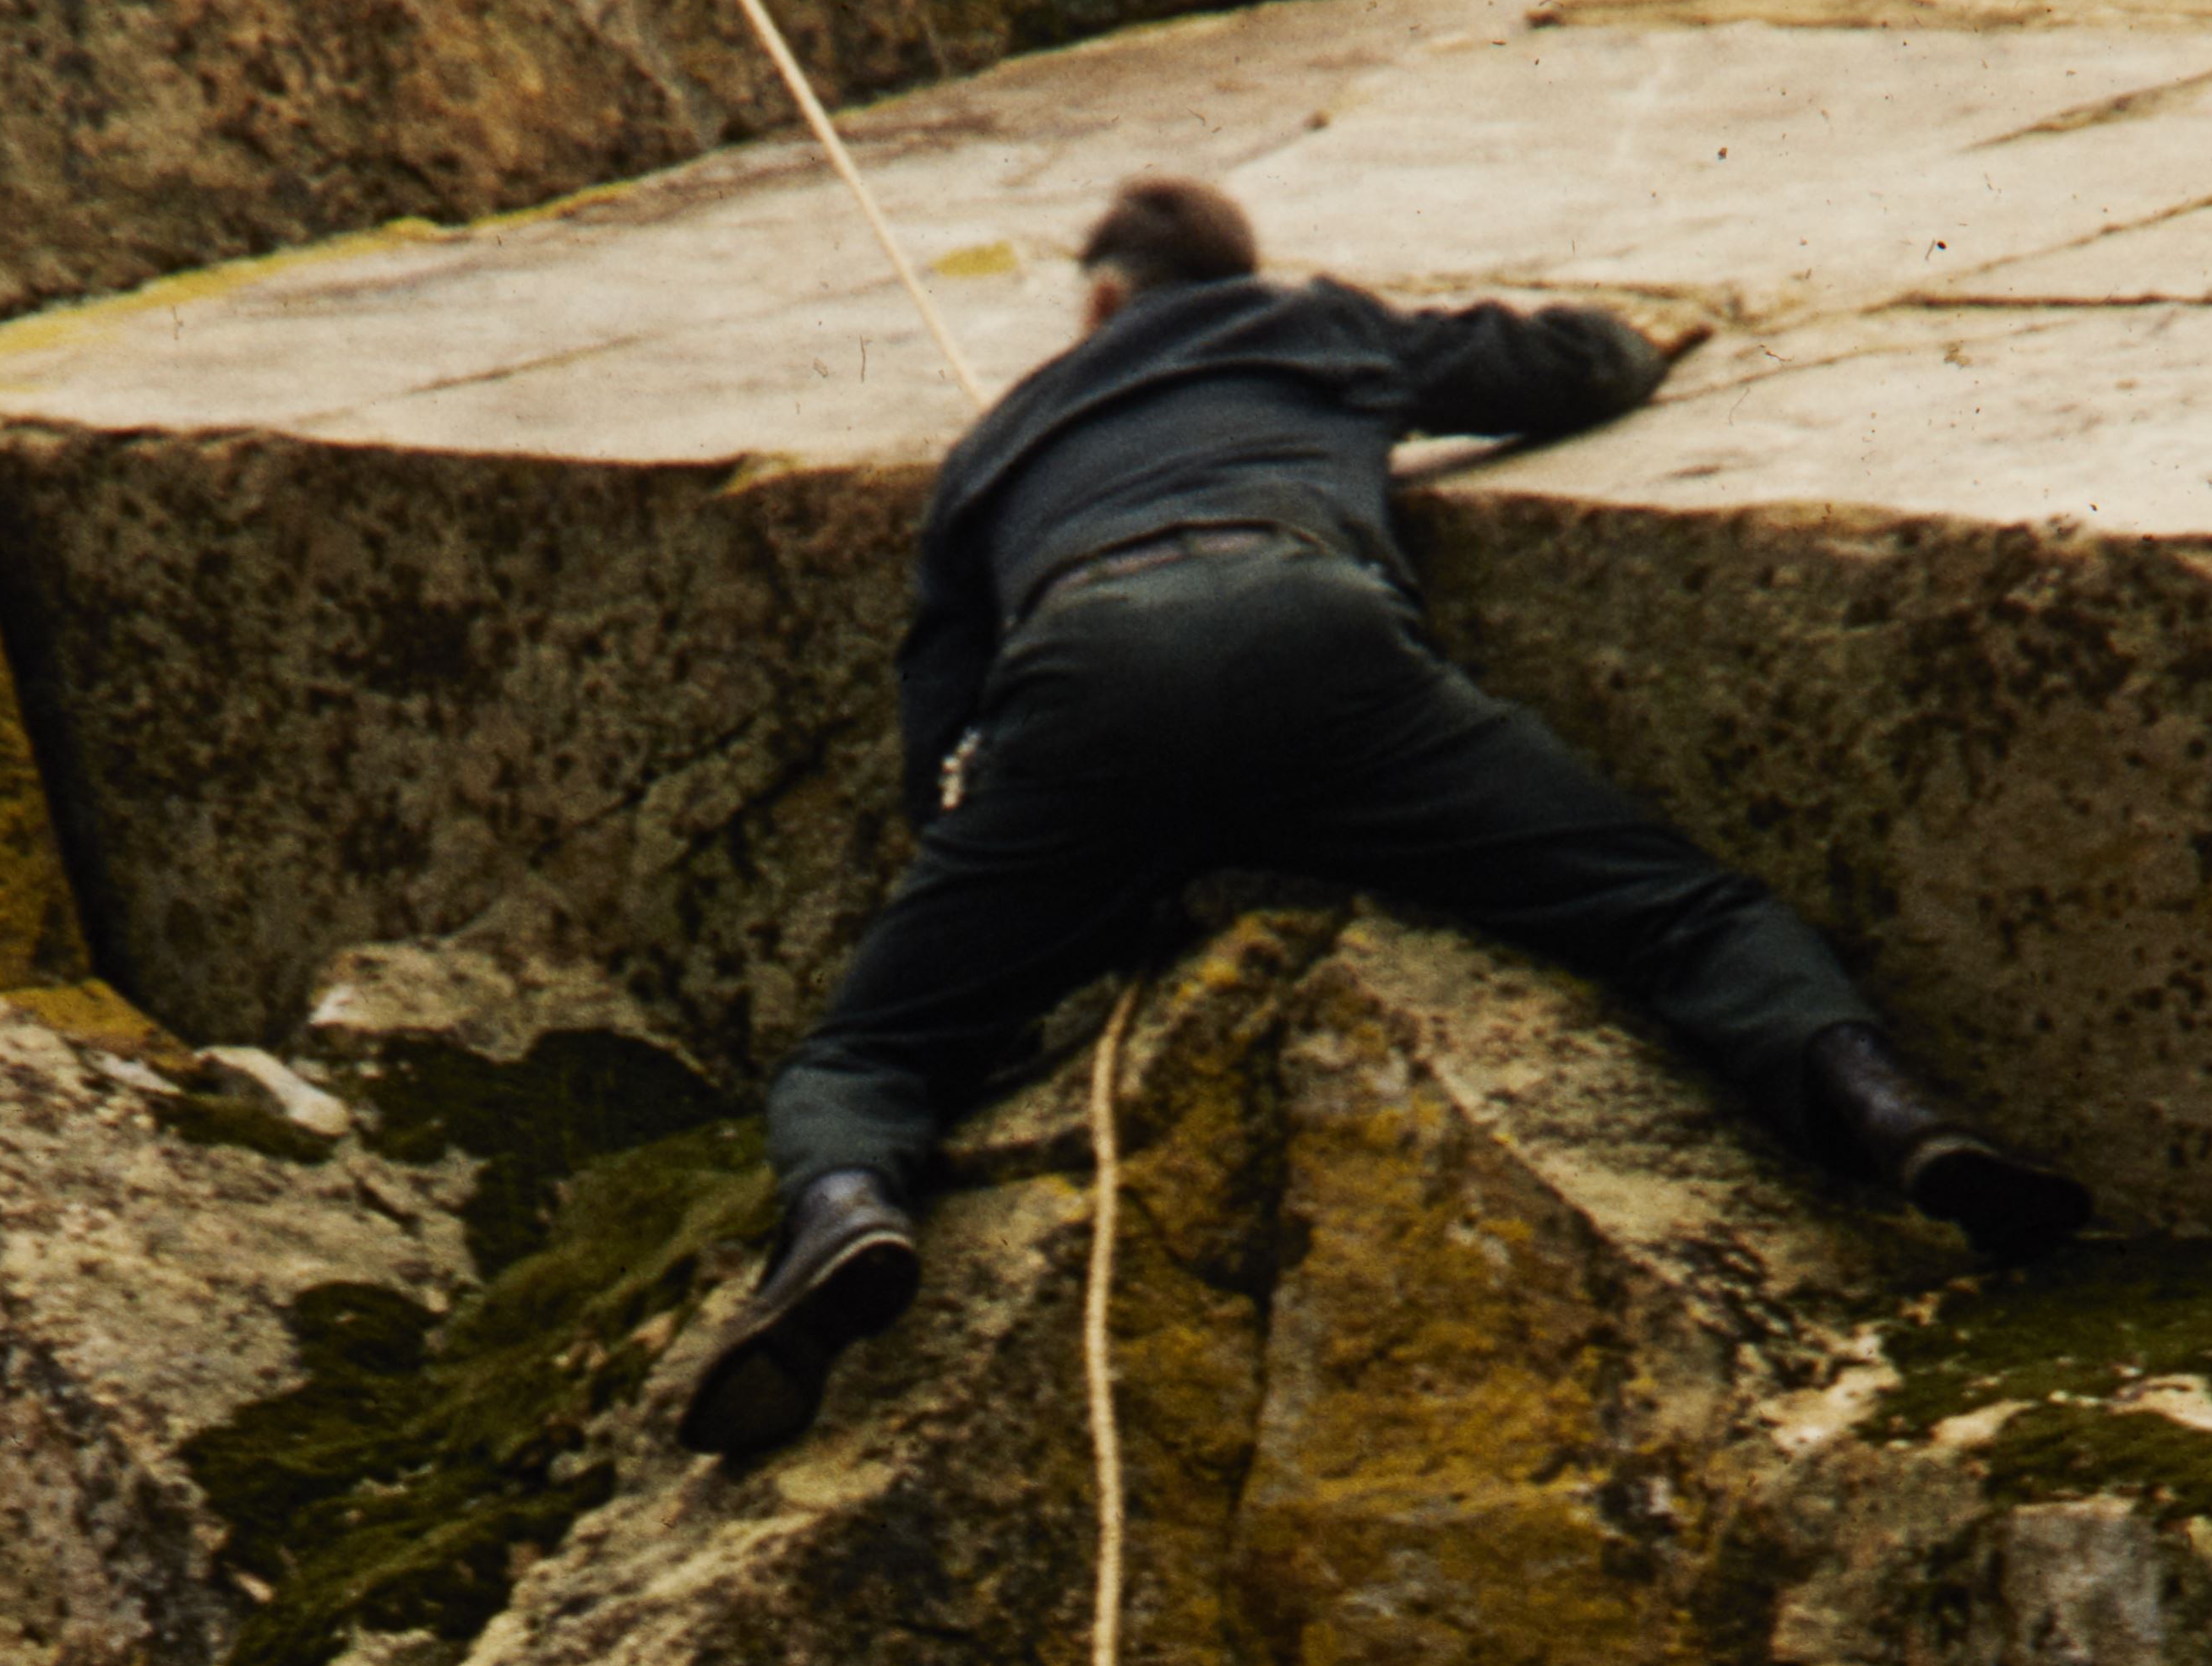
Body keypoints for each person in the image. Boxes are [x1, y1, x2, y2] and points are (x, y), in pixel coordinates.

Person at [681, 172, 2085, 1460]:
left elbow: (936, 728)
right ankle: (1887, 1112)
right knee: (1676, 909)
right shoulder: (1307, 324)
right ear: (1232, 272)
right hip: (1320, 645)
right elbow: (1563, 368)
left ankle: (848, 1210)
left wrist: (1033, 884)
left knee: (868, 1048)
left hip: (1087, 680)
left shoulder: (992, 442)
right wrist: (1647, 335)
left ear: (1100, 300)